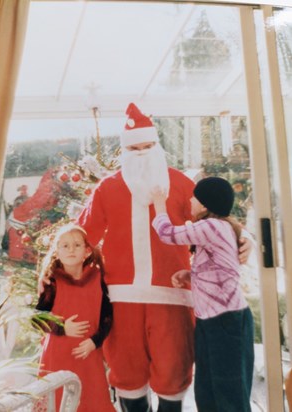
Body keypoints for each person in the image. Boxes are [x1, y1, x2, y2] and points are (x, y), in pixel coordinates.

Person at [75, 103, 252, 412]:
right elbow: (81, 236)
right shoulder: (108, 188)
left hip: (172, 296)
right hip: (122, 297)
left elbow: (215, 221)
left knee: (174, 370)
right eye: (135, 147)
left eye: (148, 146)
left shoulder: (182, 184)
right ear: (125, 150)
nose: (142, 153)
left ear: (158, 146)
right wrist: (59, 269)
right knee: (126, 372)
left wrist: (245, 238)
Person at [152, 177, 255, 412]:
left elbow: (167, 234)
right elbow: (221, 268)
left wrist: (159, 205)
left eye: (194, 197)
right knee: (207, 389)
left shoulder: (211, 227)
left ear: (206, 205)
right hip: (213, 321)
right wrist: (190, 275)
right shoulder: (218, 229)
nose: (189, 199)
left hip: (226, 320)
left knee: (228, 392)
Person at [35, 223, 115, 412]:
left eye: (77, 245)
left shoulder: (99, 279)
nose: (71, 249)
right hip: (57, 358)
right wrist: (62, 327)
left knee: (92, 401)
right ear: (57, 252)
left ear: (87, 251)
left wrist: (95, 342)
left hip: (88, 356)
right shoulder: (51, 282)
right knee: (57, 401)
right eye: (65, 245)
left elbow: (107, 317)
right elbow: (37, 319)